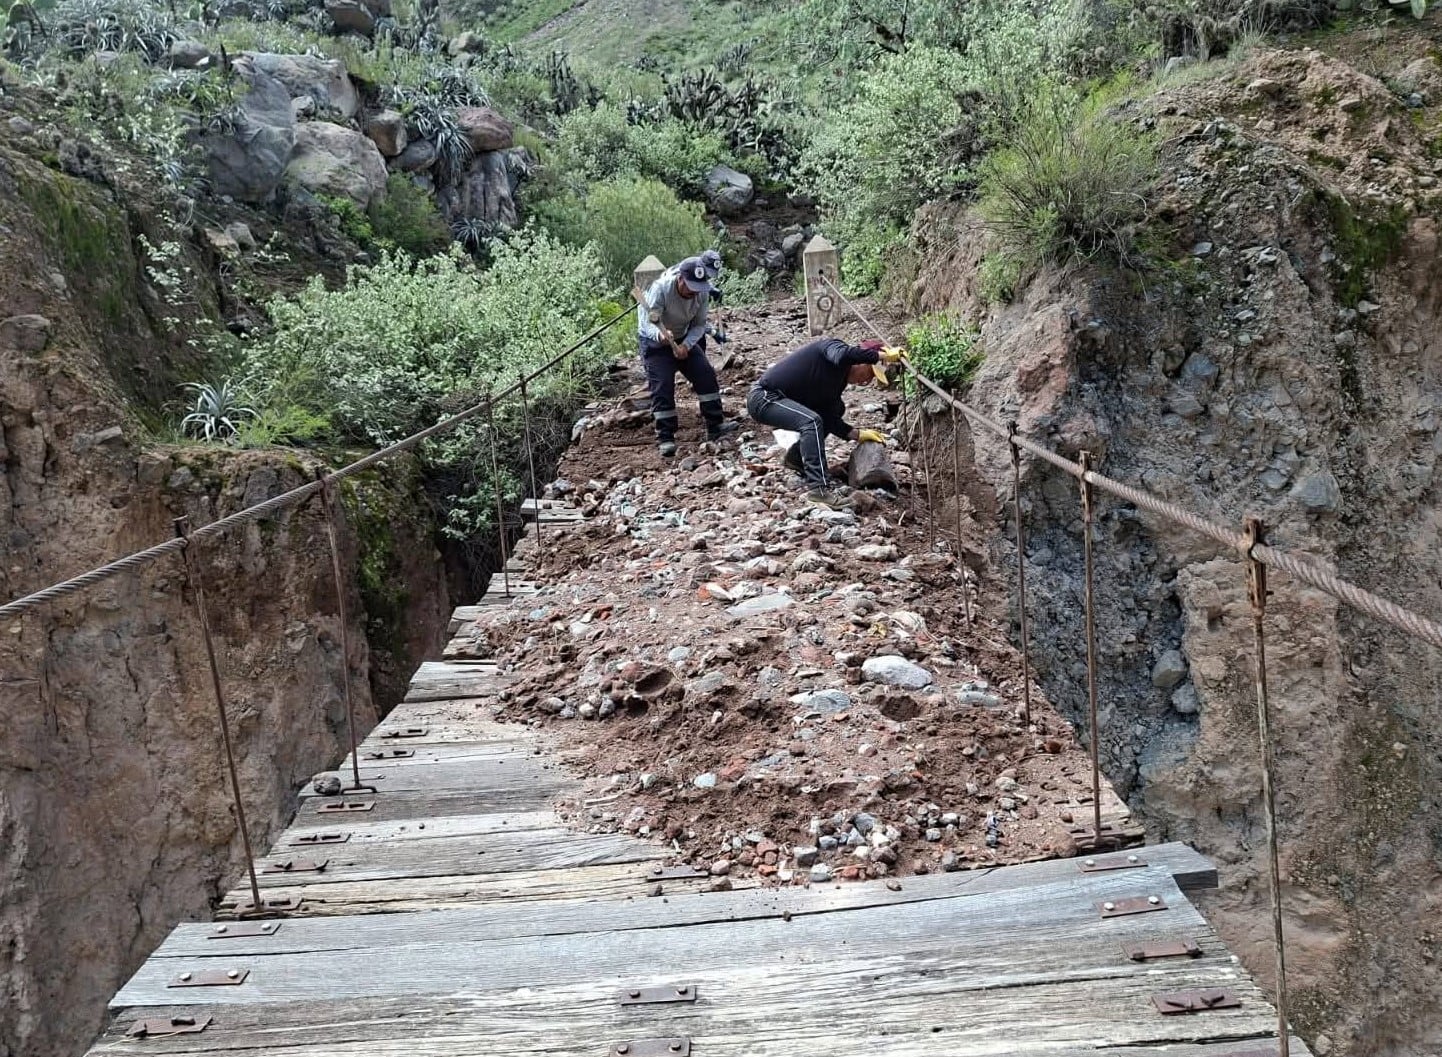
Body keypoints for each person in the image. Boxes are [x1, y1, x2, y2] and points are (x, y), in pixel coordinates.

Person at [747, 336, 904, 508]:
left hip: (778, 401)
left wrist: (857, 434)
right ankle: (819, 491)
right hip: (764, 398)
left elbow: (829, 418)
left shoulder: (837, 383)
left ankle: (796, 459)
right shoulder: (833, 347)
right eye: (870, 374)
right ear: (862, 362)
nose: (866, 381)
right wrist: (881, 357)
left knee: (836, 409)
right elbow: (843, 355)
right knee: (811, 422)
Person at [637, 249, 738, 457]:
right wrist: (661, 337)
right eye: (690, 287)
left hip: (682, 336)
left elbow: (699, 325)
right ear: (680, 279)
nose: (693, 293)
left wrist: (687, 346)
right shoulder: (661, 289)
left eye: (697, 288)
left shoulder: (702, 292)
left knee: (706, 374)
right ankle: (665, 437)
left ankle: (715, 425)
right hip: (655, 343)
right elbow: (647, 324)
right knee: (663, 386)